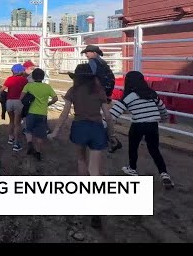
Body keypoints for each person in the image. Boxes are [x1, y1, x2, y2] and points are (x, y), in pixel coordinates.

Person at [49, 64, 114, 229]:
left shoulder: (73, 91)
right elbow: (107, 115)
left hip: (80, 127)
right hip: (97, 128)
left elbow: (64, 114)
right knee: (95, 170)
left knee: (81, 161)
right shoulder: (99, 91)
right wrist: (111, 134)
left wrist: (55, 132)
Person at [109, 71, 173, 189]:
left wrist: (104, 122)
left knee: (133, 147)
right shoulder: (152, 93)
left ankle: (132, 168)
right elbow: (162, 108)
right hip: (153, 124)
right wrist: (164, 119)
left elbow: (116, 111)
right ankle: (164, 174)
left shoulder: (130, 96)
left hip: (138, 124)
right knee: (154, 150)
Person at [81, 44, 121, 152]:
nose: (86, 54)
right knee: (107, 115)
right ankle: (113, 137)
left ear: (94, 53)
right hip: (106, 91)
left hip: (97, 92)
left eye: (87, 52)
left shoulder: (93, 62)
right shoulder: (103, 62)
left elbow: (91, 75)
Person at [21, 68, 58, 160]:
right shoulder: (47, 87)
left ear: (32, 77)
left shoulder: (28, 86)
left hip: (31, 112)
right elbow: (55, 98)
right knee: (40, 134)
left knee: (28, 130)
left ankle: (30, 144)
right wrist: (48, 104)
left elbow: (21, 98)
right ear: (43, 77)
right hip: (42, 113)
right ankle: (38, 152)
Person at [3, 64, 28, 152]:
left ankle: (10, 138)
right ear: (21, 71)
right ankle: (16, 143)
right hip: (18, 101)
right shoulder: (24, 80)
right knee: (17, 123)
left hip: (9, 101)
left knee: (11, 121)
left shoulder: (9, 79)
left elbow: (2, 90)